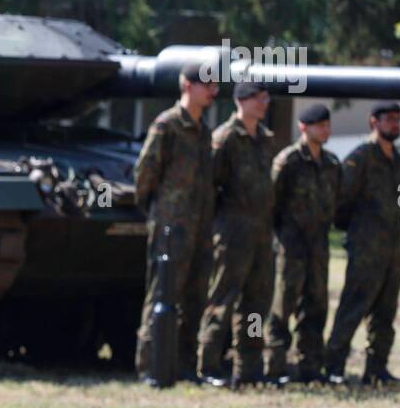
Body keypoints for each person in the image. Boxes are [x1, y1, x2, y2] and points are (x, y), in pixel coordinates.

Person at [134, 58, 220, 385]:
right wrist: (158, 212)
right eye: (207, 84)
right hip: (171, 224)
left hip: (200, 225)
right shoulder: (167, 125)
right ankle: (151, 366)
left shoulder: (204, 132)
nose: (214, 91)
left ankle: (184, 366)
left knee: (195, 296)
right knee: (162, 292)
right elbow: (146, 174)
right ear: (188, 86)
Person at [324, 102, 400, 386]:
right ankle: (333, 366)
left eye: (398, 119)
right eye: (389, 119)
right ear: (374, 122)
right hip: (366, 246)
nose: (395, 124)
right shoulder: (361, 158)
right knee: (354, 306)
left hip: (393, 246)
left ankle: (377, 368)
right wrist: (358, 232)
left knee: (386, 310)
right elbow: (342, 199)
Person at [197, 81, 276, 387]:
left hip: (261, 233)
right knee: (222, 299)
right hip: (232, 232)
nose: (264, 102)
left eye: (266, 97)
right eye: (259, 97)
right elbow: (210, 187)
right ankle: (209, 364)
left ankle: (249, 366)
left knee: (256, 304)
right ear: (242, 100)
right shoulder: (225, 138)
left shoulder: (265, 140)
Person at [265, 104, 341, 384]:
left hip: (318, 246)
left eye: (327, 125)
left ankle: (310, 367)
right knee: (282, 307)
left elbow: (337, 203)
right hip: (290, 245)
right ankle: (274, 366)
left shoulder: (332, 164)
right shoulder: (288, 161)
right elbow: (271, 204)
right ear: (304, 128)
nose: (325, 130)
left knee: (316, 305)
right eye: (320, 125)